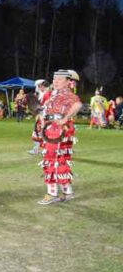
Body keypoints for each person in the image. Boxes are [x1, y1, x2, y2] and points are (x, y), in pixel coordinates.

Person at [37, 69, 82, 205]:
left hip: (59, 129)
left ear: (68, 82)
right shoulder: (53, 94)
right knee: (59, 160)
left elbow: (78, 105)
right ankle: (68, 192)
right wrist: (42, 119)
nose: (55, 82)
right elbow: (44, 110)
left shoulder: (68, 94)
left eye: (59, 79)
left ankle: (52, 194)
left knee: (52, 159)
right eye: (54, 79)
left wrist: (65, 118)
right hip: (51, 127)